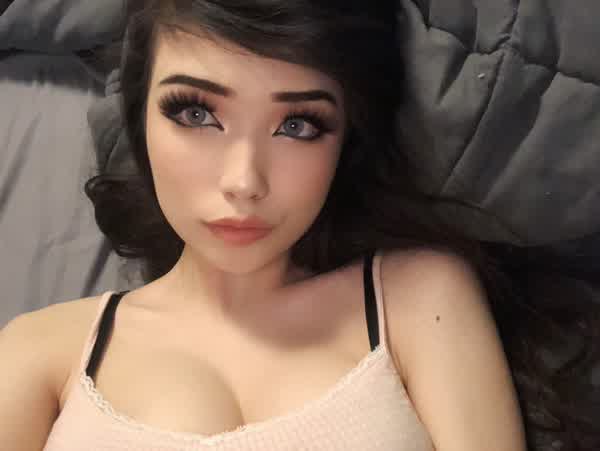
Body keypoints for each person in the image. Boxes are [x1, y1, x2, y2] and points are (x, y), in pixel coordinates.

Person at [1, 1, 597, 450]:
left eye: (298, 125)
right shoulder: (38, 353)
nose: (244, 181)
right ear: (140, 117)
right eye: (197, 112)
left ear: (344, 142)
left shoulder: (420, 296)